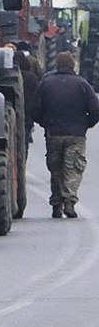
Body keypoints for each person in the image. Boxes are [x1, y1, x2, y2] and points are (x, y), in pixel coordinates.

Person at [32, 51, 99, 218]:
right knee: (73, 169)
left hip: (53, 133)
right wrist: (85, 125)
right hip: (76, 135)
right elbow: (95, 110)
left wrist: (45, 124)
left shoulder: (46, 84)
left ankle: (56, 204)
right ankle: (69, 201)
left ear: (57, 65)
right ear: (72, 65)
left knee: (56, 170)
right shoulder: (83, 85)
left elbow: (35, 109)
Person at [14, 50, 39, 147]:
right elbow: (37, 96)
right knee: (24, 142)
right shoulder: (32, 78)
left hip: (16, 111)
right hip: (28, 113)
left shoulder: (7, 77)